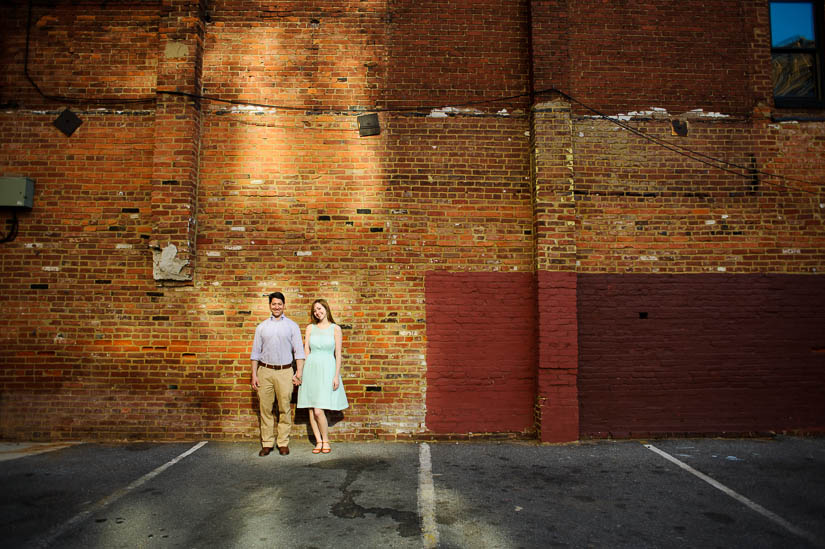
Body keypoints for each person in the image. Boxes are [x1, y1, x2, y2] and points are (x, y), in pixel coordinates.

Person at [250, 291, 305, 456]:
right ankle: (267, 443)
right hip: (265, 371)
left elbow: (299, 352)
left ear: (284, 305)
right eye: (273, 304)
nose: (276, 307)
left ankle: (283, 443)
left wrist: (299, 373)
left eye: (279, 304)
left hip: (285, 371)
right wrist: (254, 374)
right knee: (265, 409)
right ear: (269, 306)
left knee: (284, 408)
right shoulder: (262, 327)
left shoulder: (292, 326)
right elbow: (255, 353)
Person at [295, 299, 348, 454]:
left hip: (327, 368)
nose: (317, 312)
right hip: (311, 367)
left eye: (319, 308)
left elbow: (338, 354)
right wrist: (300, 372)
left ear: (326, 308)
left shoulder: (335, 329)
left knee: (319, 409)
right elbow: (306, 352)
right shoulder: (310, 328)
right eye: (315, 311)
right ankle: (318, 441)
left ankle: (326, 440)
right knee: (311, 408)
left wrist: (336, 375)